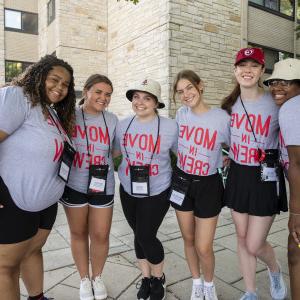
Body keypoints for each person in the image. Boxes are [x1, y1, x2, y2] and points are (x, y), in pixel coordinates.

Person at [0, 55, 76, 300]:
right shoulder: (16, 97)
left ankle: (37, 297)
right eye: (55, 79)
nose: (60, 87)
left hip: (45, 203)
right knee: (6, 267)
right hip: (14, 201)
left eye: (66, 84)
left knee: (33, 252)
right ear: (39, 75)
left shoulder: (48, 111)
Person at [222, 47, 288, 300]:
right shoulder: (229, 105)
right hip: (238, 174)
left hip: (266, 175)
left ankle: (274, 269)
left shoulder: (276, 102)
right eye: (242, 65)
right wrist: (226, 155)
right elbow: (224, 138)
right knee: (241, 236)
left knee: (254, 242)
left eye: (253, 66)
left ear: (262, 70)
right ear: (235, 70)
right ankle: (250, 291)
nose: (247, 70)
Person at [114, 78, 178, 300]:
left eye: (147, 98)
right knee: (137, 235)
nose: (140, 102)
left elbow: (183, 156)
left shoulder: (170, 126)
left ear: (156, 102)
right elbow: (113, 153)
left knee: (146, 235)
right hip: (128, 189)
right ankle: (146, 276)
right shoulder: (122, 125)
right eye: (136, 97)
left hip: (158, 190)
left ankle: (158, 278)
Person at [170, 70, 230, 300]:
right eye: (180, 91)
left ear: (200, 86)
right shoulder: (181, 115)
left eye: (189, 88)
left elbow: (233, 146)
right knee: (188, 239)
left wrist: (227, 157)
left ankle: (209, 284)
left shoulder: (221, 118)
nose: (185, 94)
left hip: (208, 184)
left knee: (204, 246)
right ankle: (196, 282)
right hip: (182, 181)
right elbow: (177, 146)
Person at [60, 74, 118, 300]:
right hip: (74, 183)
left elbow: (116, 151)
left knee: (101, 234)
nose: (103, 98)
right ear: (86, 91)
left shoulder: (112, 120)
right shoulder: (69, 116)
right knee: (78, 232)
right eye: (99, 92)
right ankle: (84, 278)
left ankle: (97, 277)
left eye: (108, 94)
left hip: (103, 185)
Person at [264, 58, 300, 300]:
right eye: (274, 81)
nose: (277, 87)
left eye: (285, 82)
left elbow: (297, 163)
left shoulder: (291, 108)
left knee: (295, 253)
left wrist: (295, 215)